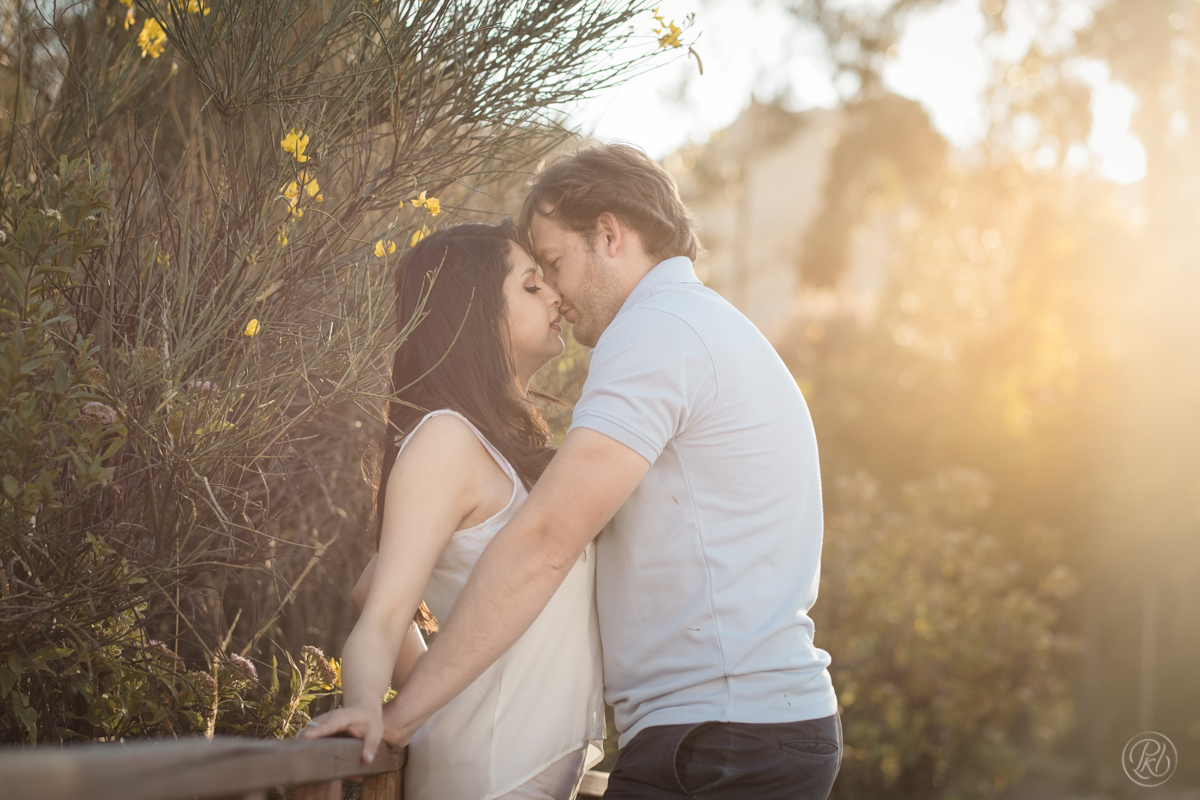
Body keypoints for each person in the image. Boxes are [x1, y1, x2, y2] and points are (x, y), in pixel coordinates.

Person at [302, 221, 605, 800]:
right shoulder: (446, 438)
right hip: (487, 777)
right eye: (531, 286)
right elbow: (383, 615)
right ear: (478, 311)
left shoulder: (492, 450)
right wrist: (367, 707)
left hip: (512, 769)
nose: (556, 298)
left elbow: (372, 583)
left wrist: (444, 686)